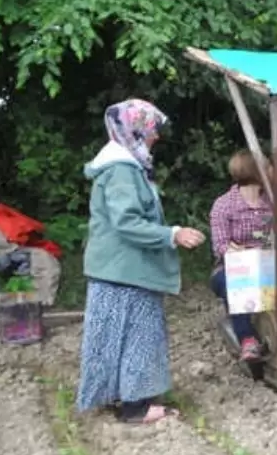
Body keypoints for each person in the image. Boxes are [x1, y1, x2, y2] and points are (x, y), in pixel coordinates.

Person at [76, 99, 205, 424]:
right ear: (134, 130)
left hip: (115, 270)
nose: (156, 137)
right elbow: (127, 222)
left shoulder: (123, 167)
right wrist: (172, 234)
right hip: (126, 271)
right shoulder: (122, 171)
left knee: (111, 338)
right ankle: (137, 407)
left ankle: (115, 396)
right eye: (151, 130)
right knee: (139, 337)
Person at [208, 149, 274, 361]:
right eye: (268, 166)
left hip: (269, 264)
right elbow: (221, 246)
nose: (272, 170)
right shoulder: (224, 205)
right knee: (237, 278)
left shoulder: (272, 203)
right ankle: (248, 339)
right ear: (257, 172)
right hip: (232, 267)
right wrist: (244, 253)